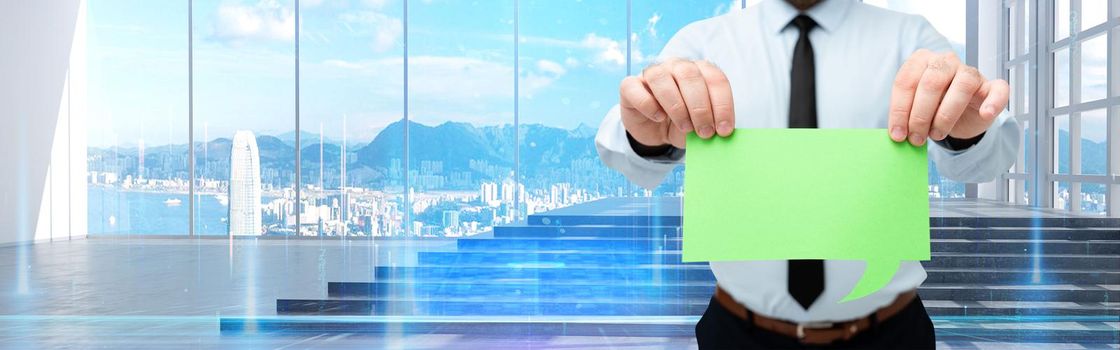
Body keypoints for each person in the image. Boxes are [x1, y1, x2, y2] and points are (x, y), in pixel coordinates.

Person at [594, 0, 1020, 348]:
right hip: (737, 333)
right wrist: (647, 136)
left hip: (891, 333)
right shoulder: (703, 42)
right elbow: (626, 156)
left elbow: (985, 162)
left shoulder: (911, 36)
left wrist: (966, 133)